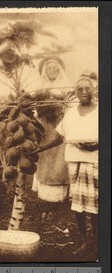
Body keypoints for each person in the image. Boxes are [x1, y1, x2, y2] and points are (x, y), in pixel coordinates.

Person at [31, 76, 98, 254]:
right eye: (80, 89)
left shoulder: (100, 111)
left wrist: (96, 145)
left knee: (96, 204)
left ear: (94, 90)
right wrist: (39, 149)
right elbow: (60, 137)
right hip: (75, 161)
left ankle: (97, 242)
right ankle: (85, 241)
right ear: (75, 92)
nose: (84, 92)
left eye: (87, 88)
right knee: (78, 205)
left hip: (95, 162)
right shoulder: (71, 113)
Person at [32, 56, 72, 220]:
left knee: (59, 163)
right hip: (44, 127)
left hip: (60, 126)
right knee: (45, 161)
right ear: (44, 71)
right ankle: (46, 202)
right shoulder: (39, 88)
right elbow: (34, 107)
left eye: (55, 68)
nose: (52, 71)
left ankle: (57, 203)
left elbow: (70, 105)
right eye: (49, 69)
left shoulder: (67, 87)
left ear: (60, 70)